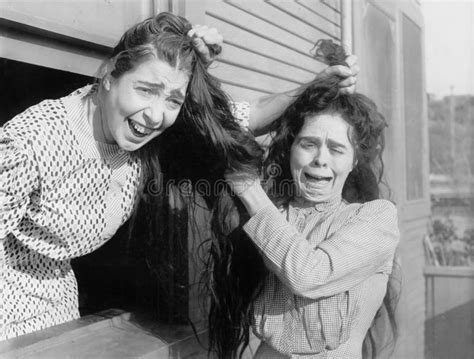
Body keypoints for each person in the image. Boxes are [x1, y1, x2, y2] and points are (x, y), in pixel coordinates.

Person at [0, 13, 357, 340]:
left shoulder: (147, 131)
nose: (156, 115)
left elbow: (249, 118)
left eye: (173, 100)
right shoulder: (30, 143)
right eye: (145, 90)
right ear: (109, 75)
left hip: (60, 305)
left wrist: (317, 85)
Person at [212, 45, 400, 358]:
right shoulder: (275, 212)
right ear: (291, 151)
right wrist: (312, 87)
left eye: (337, 149)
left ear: (355, 162)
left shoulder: (377, 218)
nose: (320, 160)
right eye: (308, 144)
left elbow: (309, 275)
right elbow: (218, 127)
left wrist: (248, 188)